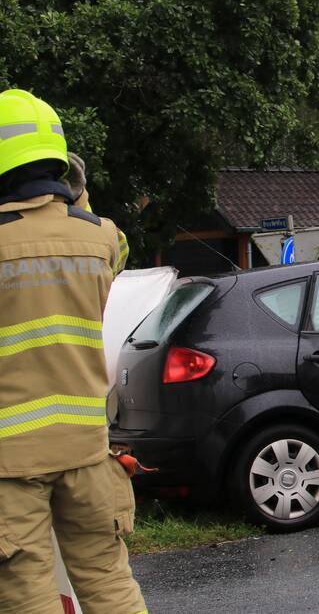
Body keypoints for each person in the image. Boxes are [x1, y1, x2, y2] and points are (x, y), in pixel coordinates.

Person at [0, 89, 146, 613]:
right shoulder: (103, 237)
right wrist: (77, 196)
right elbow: (115, 246)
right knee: (109, 581)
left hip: (10, 462)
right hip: (87, 451)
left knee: (27, 592)